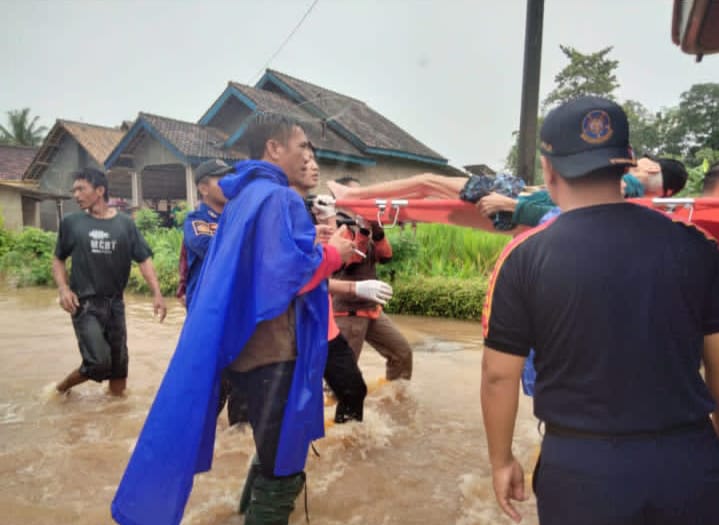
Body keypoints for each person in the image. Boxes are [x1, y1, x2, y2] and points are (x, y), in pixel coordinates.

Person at [480, 96, 719, 525]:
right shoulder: (695, 249)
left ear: (548, 169)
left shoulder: (526, 258)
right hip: (687, 460)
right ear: (626, 165)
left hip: (581, 470)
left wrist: (501, 461)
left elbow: (499, 376)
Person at [112, 114, 355, 525]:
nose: (309, 158)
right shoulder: (279, 198)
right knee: (285, 467)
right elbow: (286, 275)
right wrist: (336, 255)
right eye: (303, 149)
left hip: (244, 353)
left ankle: (242, 514)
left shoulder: (244, 198)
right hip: (274, 355)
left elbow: (256, 269)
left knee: (270, 451)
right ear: (274, 149)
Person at [52, 168, 167, 396]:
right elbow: (58, 259)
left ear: (100, 190)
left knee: (118, 370)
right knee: (97, 362)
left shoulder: (125, 224)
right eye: (74, 190)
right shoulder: (71, 223)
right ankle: (60, 389)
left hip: (115, 305)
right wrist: (64, 289)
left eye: (81, 189)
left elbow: (144, 259)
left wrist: (157, 293)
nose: (76, 194)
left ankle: (113, 414)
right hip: (84, 304)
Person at [331, 177, 414, 380]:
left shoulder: (366, 226)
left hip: (371, 309)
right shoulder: (339, 229)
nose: (364, 199)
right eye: (357, 195)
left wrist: (377, 234)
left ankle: (394, 402)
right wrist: (364, 233)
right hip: (349, 313)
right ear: (342, 201)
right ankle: (330, 410)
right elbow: (347, 261)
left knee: (402, 354)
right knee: (344, 377)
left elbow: (386, 257)